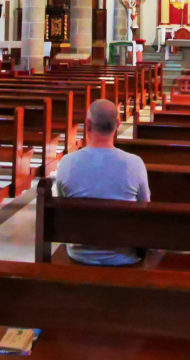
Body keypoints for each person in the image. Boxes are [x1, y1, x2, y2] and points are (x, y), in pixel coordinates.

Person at [54, 100, 150, 266]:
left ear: (88, 124)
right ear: (118, 124)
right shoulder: (134, 163)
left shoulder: (66, 163)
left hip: (79, 254)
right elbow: (145, 206)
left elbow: (62, 208)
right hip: (123, 255)